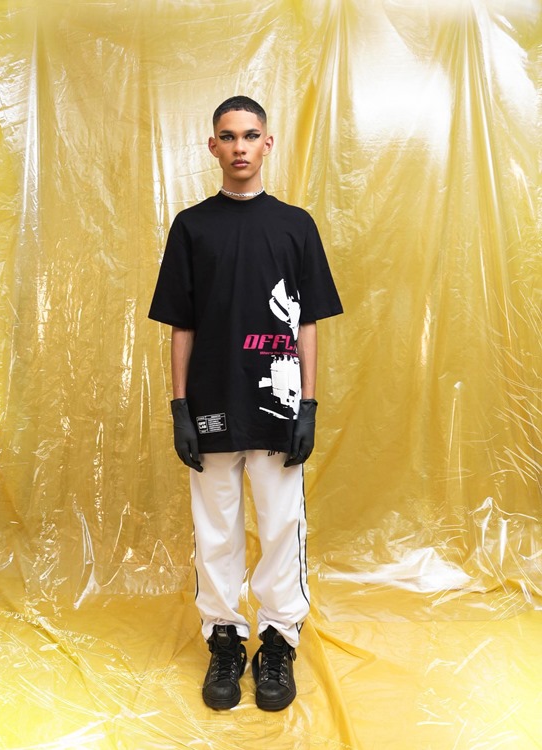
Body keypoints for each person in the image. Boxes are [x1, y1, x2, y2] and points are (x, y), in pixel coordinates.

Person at [148, 96, 342, 711]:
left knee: (283, 524)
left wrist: (308, 403)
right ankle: (226, 638)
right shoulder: (191, 226)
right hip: (211, 400)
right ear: (212, 147)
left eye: (250, 135)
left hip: (278, 399)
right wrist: (181, 407)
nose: (238, 146)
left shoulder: (295, 225)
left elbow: (308, 321)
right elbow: (181, 325)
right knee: (217, 527)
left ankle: (279, 641)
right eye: (227, 136)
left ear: (268, 144)